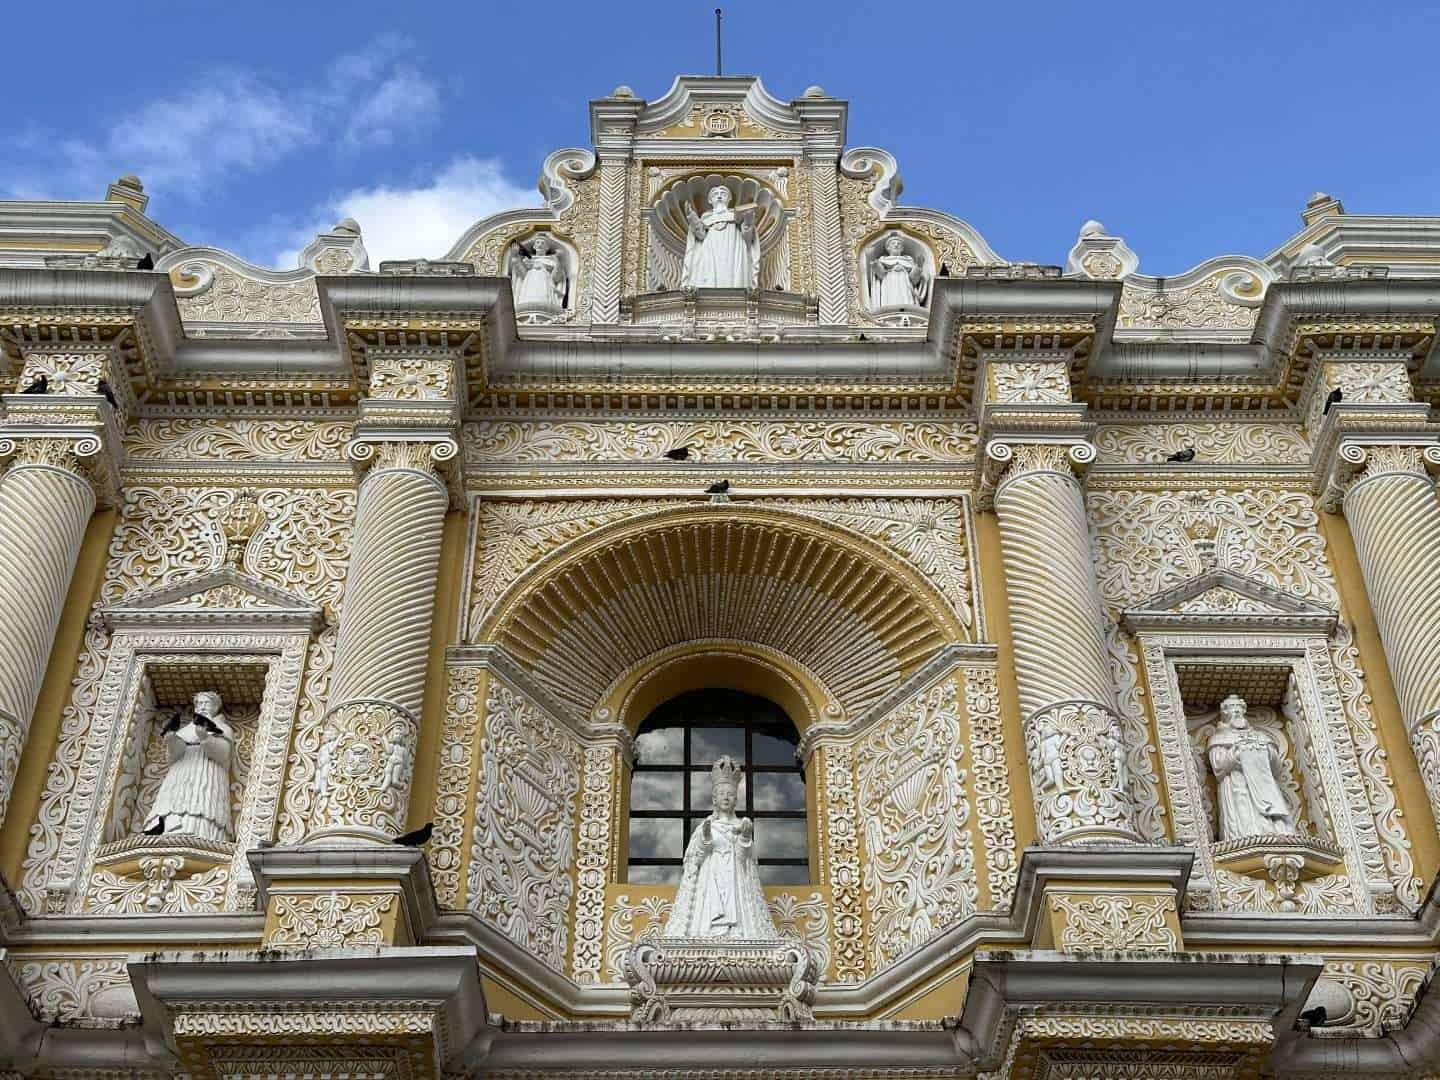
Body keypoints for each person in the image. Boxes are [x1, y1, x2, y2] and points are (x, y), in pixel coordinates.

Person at [662, 755, 779, 939]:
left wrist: (746, 837)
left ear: (736, 800)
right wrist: (706, 838)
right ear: (714, 799)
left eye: (730, 794)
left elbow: (746, 863)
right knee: (708, 914)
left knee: (739, 916)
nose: (726, 797)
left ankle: (737, 931)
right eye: (722, 793)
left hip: (736, 881)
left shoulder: (741, 826)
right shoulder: (706, 826)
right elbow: (694, 861)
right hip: (711, 881)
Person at [144, 690, 235, 842]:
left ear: (215, 707)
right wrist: (172, 740)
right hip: (181, 773)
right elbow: (172, 757)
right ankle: (167, 829)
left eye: (206, 703)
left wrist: (205, 737)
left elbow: (223, 754)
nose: (202, 707)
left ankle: (201, 832)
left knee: (203, 802)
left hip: (208, 772)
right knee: (173, 803)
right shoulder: (184, 731)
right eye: (199, 703)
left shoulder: (224, 729)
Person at [1207, 694, 1295, 839]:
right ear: (1225, 713)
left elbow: (1276, 765)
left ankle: (1276, 830)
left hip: (1264, 784)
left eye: (1238, 707)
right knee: (1244, 812)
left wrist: (1263, 751)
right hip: (1238, 783)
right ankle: (1246, 836)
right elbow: (1218, 765)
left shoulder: (1260, 736)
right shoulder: (1219, 738)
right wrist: (1236, 754)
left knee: (1272, 819)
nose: (1235, 711)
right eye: (1231, 707)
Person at [681, 186, 759, 289]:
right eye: (715, 194)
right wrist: (690, 215)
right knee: (709, 272)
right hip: (711, 250)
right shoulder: (706, 217)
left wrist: (748, 221)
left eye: (723, 194)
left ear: (729, 198)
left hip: (733, 249)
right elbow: (700, 234)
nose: (719, 196)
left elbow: (748, 239)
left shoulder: (735, 215)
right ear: (710, 200)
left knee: (732, 274)